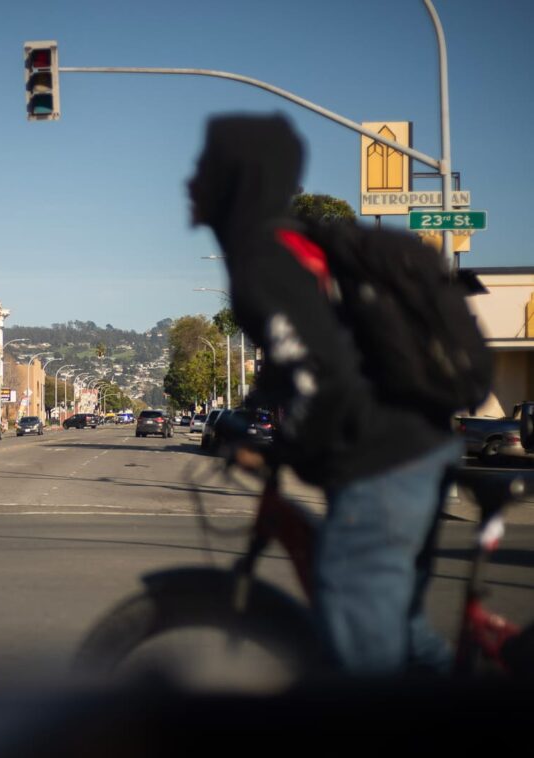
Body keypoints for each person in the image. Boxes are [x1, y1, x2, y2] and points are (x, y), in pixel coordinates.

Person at [186, 113, 462, 677]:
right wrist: (259, 410)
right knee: (404, 637)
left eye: (204, 168)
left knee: (362, 658)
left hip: (382, 468)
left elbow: (325, 378)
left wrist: (280, 446)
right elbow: (308, 355)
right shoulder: (295, 247)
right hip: (414, 449)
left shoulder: (262, 261)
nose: (191, 182)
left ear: (235, 181)